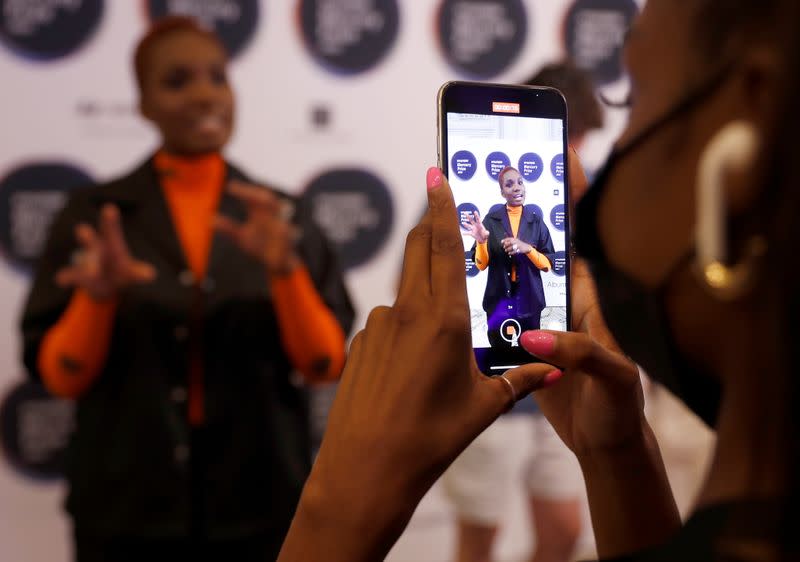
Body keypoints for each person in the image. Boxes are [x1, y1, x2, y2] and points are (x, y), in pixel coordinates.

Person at [276, 0, 799, 561]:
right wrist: (617, 455)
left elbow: (551, 266)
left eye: (635, 99)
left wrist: (330, 520)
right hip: (503, 372)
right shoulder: (478, 214)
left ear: (742, 155)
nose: (592, 173)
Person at [20, 17, 353, 562]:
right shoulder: (97, 216)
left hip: (259, 506)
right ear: (144, 103)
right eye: (177, 81)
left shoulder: (277, 217)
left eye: (217, 77)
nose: (204, 94)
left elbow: (325, 364)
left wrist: (286, 272)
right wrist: (96, 300)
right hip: (125, 512)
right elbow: (60, 375)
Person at [443, 62, 604, 562]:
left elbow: (559, 264)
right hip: (489, 382)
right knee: (479, 537)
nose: (575, 151)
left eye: (577, 136)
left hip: (561, 379)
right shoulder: (468, 198)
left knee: (563, 530)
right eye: (571, 135)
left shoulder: (586, 194)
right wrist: (486, 246)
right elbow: (448, 276)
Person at [462, 166, 555, 344]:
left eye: (520, 182)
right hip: (498, 303)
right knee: (497, 356)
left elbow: (547, 264)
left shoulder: (535, 221)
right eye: (509, 184)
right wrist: (481, 242)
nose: (517, 187)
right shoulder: (491, 220)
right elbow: (480, 265)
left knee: (530, 356)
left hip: (529, 302)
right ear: (502, 192)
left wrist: (527, 248)